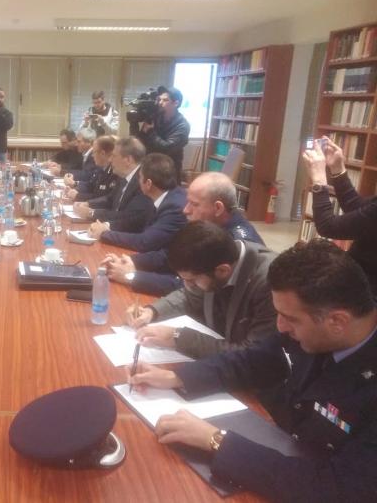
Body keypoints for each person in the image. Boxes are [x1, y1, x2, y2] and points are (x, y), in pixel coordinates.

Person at [128, 239, 377, 501]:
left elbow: (339, 489)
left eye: (290, 318)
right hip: (284, 449)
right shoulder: (320, 328)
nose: (280, 327)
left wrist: (218, 441)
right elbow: (254, 359)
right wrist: (177, 376)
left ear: (337, 321)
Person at [126, 221, 277, 359]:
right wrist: (152, 311)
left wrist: (178, 337)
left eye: (191, 280)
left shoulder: (269, 283)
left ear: (222, 271)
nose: (187, 285)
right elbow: (188, 296)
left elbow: (252, 355)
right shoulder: (216, 260)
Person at [97, 153, 187, 296]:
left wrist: (104, 234)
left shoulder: (175, 206)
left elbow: (145, 242)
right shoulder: (163, 198)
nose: (188, 209)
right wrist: (129, 261)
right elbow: (164, 252)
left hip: (170, 281)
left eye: (139, 177)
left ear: (148, 183)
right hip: (160, 268)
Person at [303, 137, 377, 296]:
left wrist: (319, 181)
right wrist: (337, 169)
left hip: (364, 294)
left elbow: (327, 226)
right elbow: (357, 207)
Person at [73, 137, 154, 233]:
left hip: (125, 235)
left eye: (114, 156)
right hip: (112, 229)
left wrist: (92, 213)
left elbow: (128, 217)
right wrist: (88, 203)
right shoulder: (124, 176)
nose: (110, 160)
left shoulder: (142, 181)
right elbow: (109, 199)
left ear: (128, 160)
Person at [184, 172, 264, 244]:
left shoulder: (238, 246)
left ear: (218, 208)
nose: (186, 210)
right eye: (188, 202)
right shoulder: (213, 226)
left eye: (194, 204)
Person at [135, 86, 190, 180]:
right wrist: (136, 126)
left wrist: (151, 132)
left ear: (176, 103)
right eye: (160, 99)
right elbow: (141, 141)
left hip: (168, 173)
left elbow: (167, 148)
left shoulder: (182, 125)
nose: (160, 103)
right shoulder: (156, 118)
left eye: (165, 100)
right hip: (150, 167)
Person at [65, 135, 119, 202]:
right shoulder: (101, 168)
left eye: (94, 152)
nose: (92, 155)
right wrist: (75, 185)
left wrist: (78, 196)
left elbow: (102, 198)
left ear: (102, 153)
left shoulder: (115, 173)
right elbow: (91, 185)